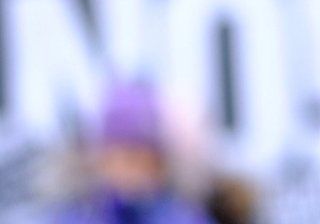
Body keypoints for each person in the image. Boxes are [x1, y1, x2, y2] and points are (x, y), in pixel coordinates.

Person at [56, 83, 212, 224]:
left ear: (159, 164)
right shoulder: (82, 216)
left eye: (139, 160)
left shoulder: (184, 216)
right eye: (116, 160)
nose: (129, 172)